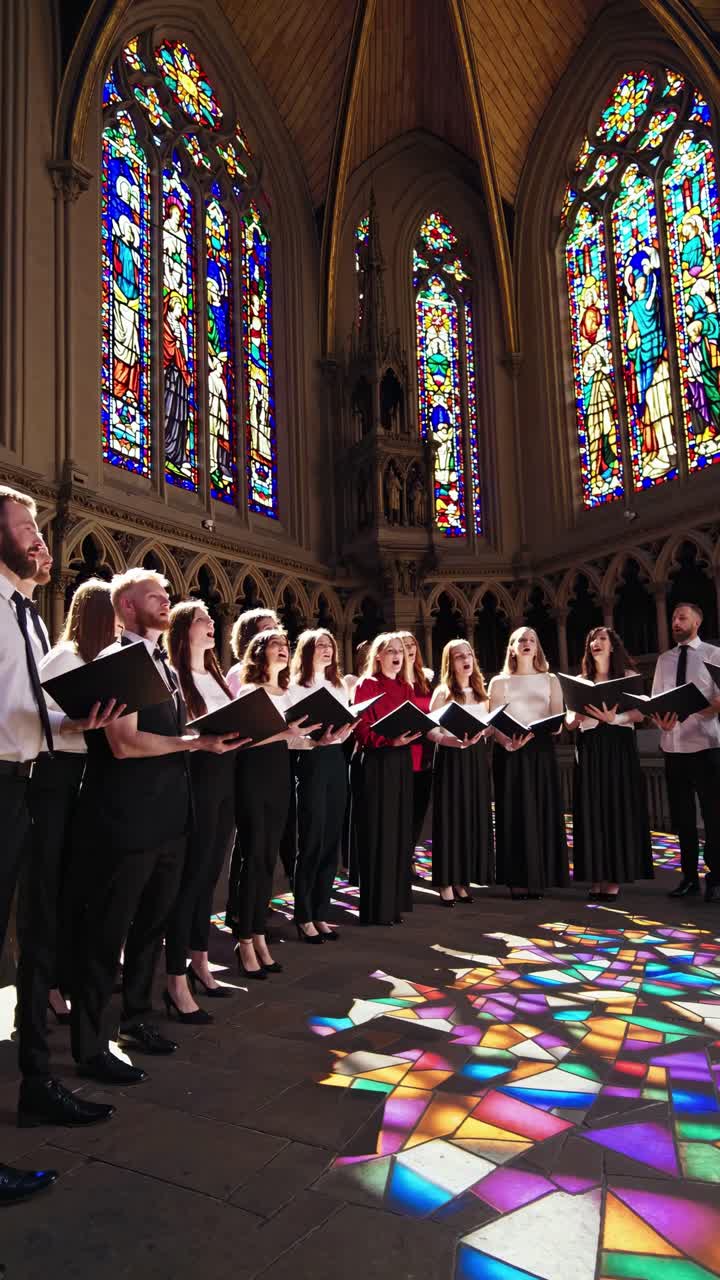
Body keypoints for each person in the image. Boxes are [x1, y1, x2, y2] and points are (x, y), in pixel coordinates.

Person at [70, 569, 242, 1085]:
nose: (166, 603)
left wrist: (206, 734)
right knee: (109, 931)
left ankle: (135, 1021)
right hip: (126, 815)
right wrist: (196, 744)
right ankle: (90, 1044)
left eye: (167, 596)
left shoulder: (161, 662)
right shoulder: (117, 659)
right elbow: (123, 742)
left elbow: (164, 732)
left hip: (170, 813)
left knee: (150, 925)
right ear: (125, 607)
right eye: (154, 597)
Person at [0, 486, 112, 1187]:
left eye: (40, 528)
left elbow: (30, 706)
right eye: (25, 527)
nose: (40, 539)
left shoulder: (32, 617)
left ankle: (36, 1083)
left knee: (40, 936)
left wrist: (74, 724)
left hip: (32, 783)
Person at [15, 579, 119, 1112]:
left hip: (87, 780)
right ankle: (50, 994)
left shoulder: (102, 658)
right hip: (56, 782)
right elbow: (45, 724)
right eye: (114, 618)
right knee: (49, 898)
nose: (120, 628)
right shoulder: (63, 658)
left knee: (79, 897)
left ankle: (74, 1000)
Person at [164, 601, 249, 1021]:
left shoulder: (215, 675)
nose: (211, 623)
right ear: (183, 630)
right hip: (197, 780)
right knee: (190, 878)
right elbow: (177, 732)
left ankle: (199, 959)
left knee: (209, 876)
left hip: (225, 779)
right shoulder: (175, 676)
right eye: (202, 620)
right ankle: (174, 976)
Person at [226, 629, 317, 976]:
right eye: (275, 645)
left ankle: (259, 934)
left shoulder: (287, 692)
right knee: (253, 857)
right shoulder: (251, 690)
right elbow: (247, 740)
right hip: (253, 775)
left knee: (268, 861)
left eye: (285, 646)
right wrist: (288, 733)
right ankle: (244, 940)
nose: (283, 650)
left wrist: (318, 742)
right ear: (259, 652)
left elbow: (288, 741)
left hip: (279, 774)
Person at [566, 627, 653, 901]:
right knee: (592, 808)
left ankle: (614, 876)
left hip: (619, 745)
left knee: (617, 806)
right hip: (590, 746)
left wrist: (613, 718)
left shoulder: (627, 677)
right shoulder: (580, 680)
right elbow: (569, 723)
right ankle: (596, 874)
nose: (596, 643)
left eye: (602, 639)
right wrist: (579, 715)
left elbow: (640, 714)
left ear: (613, 646)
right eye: (592, 639)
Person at [488, 628, 569, 900]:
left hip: (540, 749)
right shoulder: (499, 682)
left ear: (537, 648)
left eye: (532, 640)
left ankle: (543, 875)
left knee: (542, 809)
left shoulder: (550, 679)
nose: (526, 644)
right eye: (521, 640)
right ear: (511, 648)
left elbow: (557, 720)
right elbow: (493, 722)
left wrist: (552, 726)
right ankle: (517, 879)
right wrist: (505, 742)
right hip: (511, 751)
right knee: (514, 812)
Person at [651, 602, 720, 901]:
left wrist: (702, 709)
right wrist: (660, 719)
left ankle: (716, 878)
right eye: (674, 619)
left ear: (697, 622)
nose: (676, 623)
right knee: (682, 818)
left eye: (682, 618)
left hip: (706, 746)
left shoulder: (713, 655)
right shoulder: (664, 659)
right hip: (673, 746)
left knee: (714, 816)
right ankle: (689, 878)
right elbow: (656, 699)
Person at [287, 630, 352, 943]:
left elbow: (346, 724)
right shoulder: (294, 685)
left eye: (330, 645)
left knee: (330, 839)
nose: (327, 650)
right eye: (320, 645)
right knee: (311, 838)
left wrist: (344, 732)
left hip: (336, 759)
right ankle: (303, 915)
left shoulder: (339, 685)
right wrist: (313, 741)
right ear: (307, 651)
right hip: (309, 760)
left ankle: (321, 912)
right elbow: (288, 735)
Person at [352, 633, 421, 925]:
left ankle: (393, 905)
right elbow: (361, 726)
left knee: (398, 831)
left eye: (400, 651)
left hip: (401, 761)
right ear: (377, 656)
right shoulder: (367, 685)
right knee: (379, 831)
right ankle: (375, 908)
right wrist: (386, 741)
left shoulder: (406, 686)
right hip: (377, 761)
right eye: (390, 651)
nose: (397, 655)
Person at [428, 640, 493, 904]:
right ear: (449, 663)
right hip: (451, 757)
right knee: (450, 819)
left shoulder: (481, 692)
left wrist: (485, 731)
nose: (465, 660)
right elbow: (430, 731)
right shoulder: (443, 693)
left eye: (469, 654)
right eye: (458, 656)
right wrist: (453, 741)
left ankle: (462, 880)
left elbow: (488, 727)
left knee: (470, 817)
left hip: (475, 758)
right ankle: (445, 881)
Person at [399, 632, 434, 852]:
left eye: (412, 644)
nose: (409, 648)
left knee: (418, 810)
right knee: (400, 810)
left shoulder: (427, 679)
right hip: (400, 751)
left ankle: (409, 853)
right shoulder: (393, 679)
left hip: (425, 753)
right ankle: (399, 856)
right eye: (403, 645)